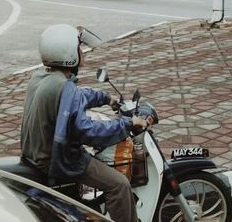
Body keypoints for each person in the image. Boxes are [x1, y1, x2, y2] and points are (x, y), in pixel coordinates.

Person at [20, 24, 147, 222]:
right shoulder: (64, 86)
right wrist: (127, 124)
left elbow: (78, 97)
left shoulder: (42, 77)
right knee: (119, 184)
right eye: (79, 48)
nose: (82, 52)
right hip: (60, 159)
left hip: (37, 153)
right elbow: (87, 130)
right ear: (68, 54)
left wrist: (105, 98)